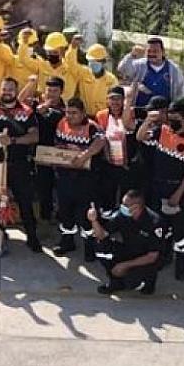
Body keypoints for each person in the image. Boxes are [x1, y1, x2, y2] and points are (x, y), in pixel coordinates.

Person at [136, 101, 184, 280]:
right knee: (160, 227)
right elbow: (140, 137)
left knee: (180, 230)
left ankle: (181, 266)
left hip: (179, 190)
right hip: (158, 188)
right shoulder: (162, 131)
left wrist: (177, 195)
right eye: (170, 119)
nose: (173, 123)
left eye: (176, 120)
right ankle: (163, 257)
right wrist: (148, 121)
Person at [0, 77, 42, 253]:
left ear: (16, 91)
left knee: (25, 201)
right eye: (4, 89)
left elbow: (34, 136)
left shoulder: (26, 111)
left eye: (10, 89)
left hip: (19, 165)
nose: (6, 92)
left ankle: (32, 237)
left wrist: (13, 140)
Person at [51, 98, 107, 259]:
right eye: (67, 112)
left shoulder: (92, 126)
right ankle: (67, 241)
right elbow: (57, 144)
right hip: (65, 176)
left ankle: (90, 246)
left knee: (86, 213)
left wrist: (84, 154)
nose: (70, 116)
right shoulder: (62, 123)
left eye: (74, 113)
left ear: (82, 113)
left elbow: (101, 141)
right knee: (65, 210)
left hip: (86, 179)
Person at [88, 190, 161, 295]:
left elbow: (152, 256)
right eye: (122, 203)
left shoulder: (154, 222)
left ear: (137, 207)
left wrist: (124, 265)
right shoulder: (121, 215)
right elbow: (102, 235)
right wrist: (94, 220)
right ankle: (115, 282)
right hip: (129, 250)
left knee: (131, 283)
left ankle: (147, 282)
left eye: (126, 205)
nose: (122, 207)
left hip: (146, 259)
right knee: (101, 244)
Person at [30, 76, 66, 222]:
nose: (51, 93)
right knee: (44, 187)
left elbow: (62, 119)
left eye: (55, 90)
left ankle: (62, 217)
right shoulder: (36, 105)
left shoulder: (65, 108)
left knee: (61, 187)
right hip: (41, 152)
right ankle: (45, 217)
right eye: (49, 90)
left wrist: (46, 111)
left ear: (61, 91)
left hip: (60, 153)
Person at [95, 85, 137, 208]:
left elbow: (131, 128)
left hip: (127, 162)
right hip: (108, 161)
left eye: (118, 98)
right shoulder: (101, 115)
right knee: (108, 192)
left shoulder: (130, 112)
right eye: (112, 98)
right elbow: (101, 136)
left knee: (126, 194)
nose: (115, 102)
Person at [16, 30, 83, 101]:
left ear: (63, 51)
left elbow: (71, 60)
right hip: (43, 107)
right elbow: (23, 59)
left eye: (55, 52)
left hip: (65, 109)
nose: (51, 55)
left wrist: (73, 48)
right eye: (49, 52)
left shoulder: (70, 68)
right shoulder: (41, 65)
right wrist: (24, 42)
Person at [118, 37, 184, 107]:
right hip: (140, 110)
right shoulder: (139, 65)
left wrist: (174, 108)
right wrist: (132, 54)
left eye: (155, 51)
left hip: (164, 112)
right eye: (149, 51)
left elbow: (180, 92)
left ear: (163, 52)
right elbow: (122, 69)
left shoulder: (174, 69)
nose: (152, 54)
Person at [75, 43, 118, 115]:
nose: (93, 63)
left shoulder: (111, 80)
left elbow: (115, 101)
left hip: (103, 118)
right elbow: (71, 64)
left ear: (104, 61)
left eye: (97, 61)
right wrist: (73, 47)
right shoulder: (83, 73)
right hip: (84, 116)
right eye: (91, 61)